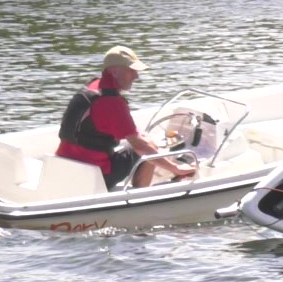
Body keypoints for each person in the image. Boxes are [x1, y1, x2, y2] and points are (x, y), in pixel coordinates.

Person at [55, 46, 194, 190]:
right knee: (149, 147)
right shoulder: (112, 103)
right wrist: (176, 168)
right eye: (131, 71)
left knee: (143, 141)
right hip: (97, 175)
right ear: (114, 71)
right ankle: (141, 195)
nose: (136, 76)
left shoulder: (92, 88)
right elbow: (139, 146)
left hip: (65, 166)